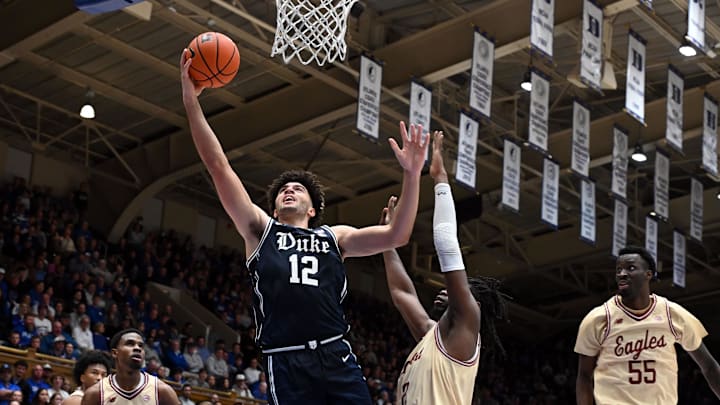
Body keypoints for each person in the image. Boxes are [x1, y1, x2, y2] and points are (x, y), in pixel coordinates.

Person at [180, 49, 428, 405]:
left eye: (298, 189)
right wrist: (191, 102)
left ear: (313, 210)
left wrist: (411, 175)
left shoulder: (334, 236)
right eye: (282, 190)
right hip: (286, 358)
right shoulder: (259, 230)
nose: (288, 190)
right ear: (276, 208)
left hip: (335, 354)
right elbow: (218, 166)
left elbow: (397, 236)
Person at [380, 132, 508, 405]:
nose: (444, 290)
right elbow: (402, 292)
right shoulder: (431, 335)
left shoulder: (467, 319)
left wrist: (439, 179)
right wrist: (386, 241)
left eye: (455, 291)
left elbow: (447, 244)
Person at [575, 245, 720, 404]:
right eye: (618, 270)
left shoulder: (672, 314)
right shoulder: (598, 318)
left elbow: (709, 366)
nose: (622, 274)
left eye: (630, 268)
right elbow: (584, 376)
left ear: (648, 274)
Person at [80, 329, 179, 405]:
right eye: (130, 344)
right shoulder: (95, 393)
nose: (137, 348)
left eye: (141, 345)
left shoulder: (162, 391)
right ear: (115, 353)